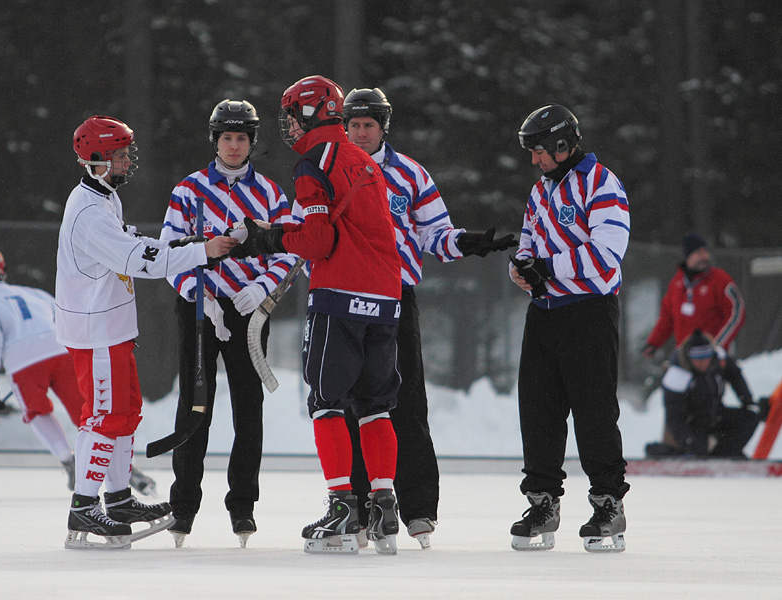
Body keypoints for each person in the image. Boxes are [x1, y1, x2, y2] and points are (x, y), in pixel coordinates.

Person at [232, 75, 403, 554]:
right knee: (375, 404)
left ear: (307, 113)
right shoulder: (359, 157)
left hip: (341, 294)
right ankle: (383, 504)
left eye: (291, 114)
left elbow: (318, 241)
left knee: (326, 400)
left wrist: (267, 238)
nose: (288, 125)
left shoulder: (314, 161)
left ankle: (344, 506)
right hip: (385, 296)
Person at [341, 87, 517, 549]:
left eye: (369, 125)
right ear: (345, 127)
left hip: (395, 296)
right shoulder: (330, 168)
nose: (361, 133)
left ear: (383, 128)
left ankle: (419, 508)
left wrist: (468, 242)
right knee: (350, 403)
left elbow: (434, 232)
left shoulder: (410, 174)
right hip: (344, 297)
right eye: (355, 125)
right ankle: (356, 506)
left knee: (407, 401)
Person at [57, 114, 237, 549]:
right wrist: (200, 252)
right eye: (118, 156)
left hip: (114, 327)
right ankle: (84, 504)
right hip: (96, 330)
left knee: (127, 412)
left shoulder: (105, 200)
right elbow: (138, 259)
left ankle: (117, 499)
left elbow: (135, 244)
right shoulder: (88, 214)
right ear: (96, 161)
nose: (125, 163)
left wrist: (185, 247)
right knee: (103, 417)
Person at [159, 99, 298, 549]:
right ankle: (183, 507)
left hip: (248, 310)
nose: (234, 145)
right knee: (195, 406)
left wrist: (262, 291)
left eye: (241, 138)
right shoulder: (189, 190)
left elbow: (290, 250)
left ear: (252, 142)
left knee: (248, 408)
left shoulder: (272, 194)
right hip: (201, 308)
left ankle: (243, 506)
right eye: (227, 137)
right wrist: (198, 296)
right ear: (215, 140)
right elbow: (168, 253)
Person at [508, 104, 631, 553]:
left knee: (593, 410)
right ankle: (542, 503)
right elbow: (528, 240)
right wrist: (521, 268)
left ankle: (607, 503)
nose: (535, 160)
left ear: (563, 145)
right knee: (537, 411)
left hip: (588, 313)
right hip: (544, 313)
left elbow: (606, 255)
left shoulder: (602, 183)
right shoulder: (541, 190)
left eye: (540, 151)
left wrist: (547, 267)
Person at [0, 246, 84, 490]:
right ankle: (119, 464)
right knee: (85, 412)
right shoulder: (33, 292)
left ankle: (68, 460)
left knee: (37, 412)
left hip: (23, 362)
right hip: (61, 351)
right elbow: (65, 317)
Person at [655, 329, 759, 458]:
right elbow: (674, 417)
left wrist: (747, 399)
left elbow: (735, 374)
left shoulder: (720, 360)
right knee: (695, 449)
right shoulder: (677, 375)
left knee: (749, 419)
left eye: (706, 358)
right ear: (690, 358)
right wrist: (687, 440)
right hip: (691, 423)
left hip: (715, 414)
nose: (703, 362)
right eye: (698, 359)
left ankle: (723, 457)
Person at [642, 233, 745, 358]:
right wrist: (654, 343)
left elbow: (736, 312)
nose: (704, 256)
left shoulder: (720, 280)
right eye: (698, 253)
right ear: (688, 257)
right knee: (671, 377)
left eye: (705, 252)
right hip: (684, 356)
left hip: (712, 356)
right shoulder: (676, 283)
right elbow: (666, 318)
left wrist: (717, 345)